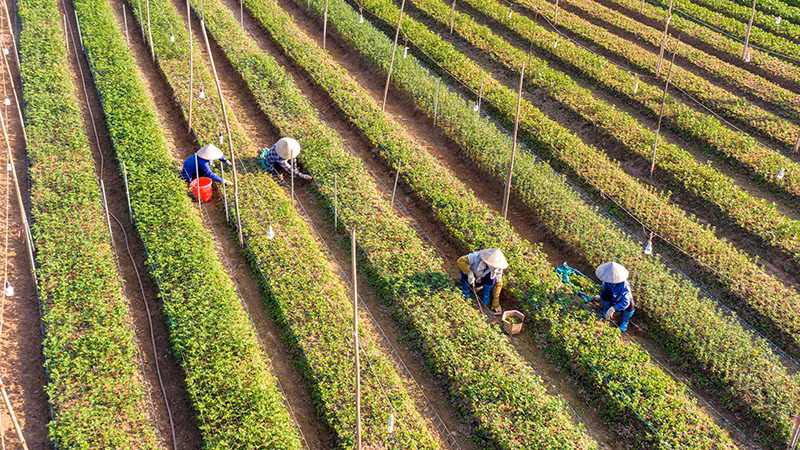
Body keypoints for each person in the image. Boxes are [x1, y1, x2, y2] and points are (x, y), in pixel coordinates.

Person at [457, 248, 507, 315]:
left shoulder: (498, 268)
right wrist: (469, 273)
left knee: (492, 279)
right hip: (471, 278)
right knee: (464, 273)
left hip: (481, 281)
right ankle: (466, 292)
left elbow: (498, 284)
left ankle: (486, 293)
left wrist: (496, 301)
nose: (493, 266)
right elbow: (460, 261)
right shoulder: (476, 256)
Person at [593, 261, 635, 332]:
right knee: (605, 294)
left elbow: (625, 302)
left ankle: (625, 321)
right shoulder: (607, 282)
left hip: (621, 302)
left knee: (631, 305)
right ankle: (605, 311)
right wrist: (600, 297)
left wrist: (613, 308)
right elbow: (604, 289)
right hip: (613, 298)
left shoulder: (624, 286)